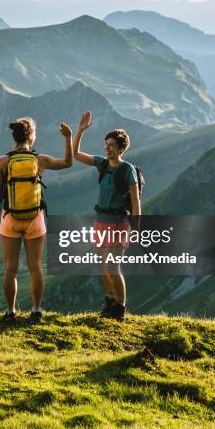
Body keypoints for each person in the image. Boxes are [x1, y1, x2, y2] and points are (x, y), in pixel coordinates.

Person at [0, 117, 73, 323]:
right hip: (35, 219)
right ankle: (36, 310)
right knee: (35, 267)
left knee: (10, 268)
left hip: (10, 218)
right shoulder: (39, 160)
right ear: (32, 136)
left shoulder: (3, 161)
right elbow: (68, 163)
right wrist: (68, 138)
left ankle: (10, 312)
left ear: (14, 137)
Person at [73, 111, 141, 321]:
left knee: (113, 266)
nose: (107, 147)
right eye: (106, 144)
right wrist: (80, 131)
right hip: (102, 221)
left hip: (119, 223)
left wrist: (137, 227)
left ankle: (120, 307)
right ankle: (110, 301)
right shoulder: (102, 164)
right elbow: (75, 154)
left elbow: (136, 201)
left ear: (121, 148)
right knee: (102, 265)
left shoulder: (127, 170)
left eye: (111, 145)